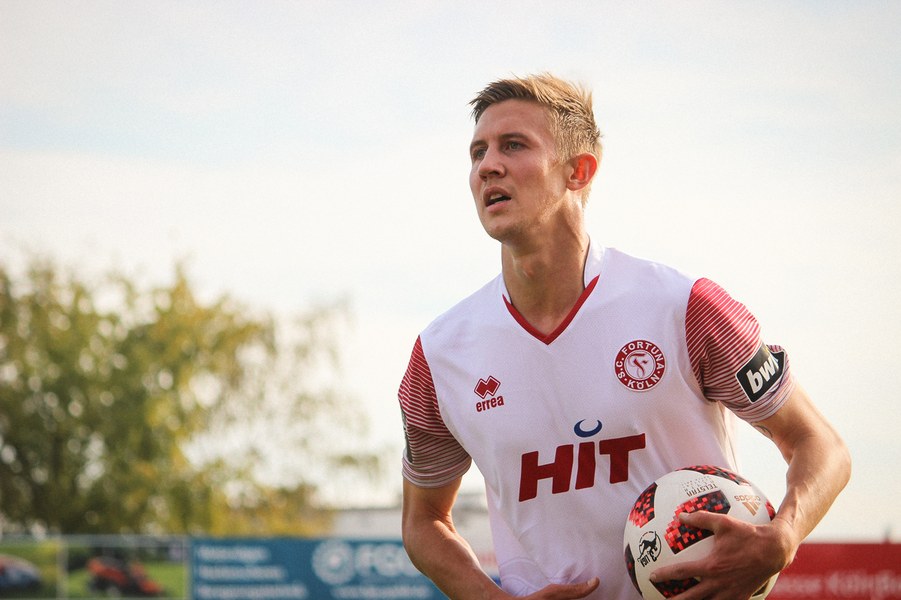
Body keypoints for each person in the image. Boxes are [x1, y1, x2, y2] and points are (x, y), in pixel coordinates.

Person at [398, 73, 850, 600]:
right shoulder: (440, 355)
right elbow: (424, 520)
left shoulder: (685, 307)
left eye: (513, 145)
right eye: (478, 152)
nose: (487, 166)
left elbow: (821, 444)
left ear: (579, 170)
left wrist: (784, 534)